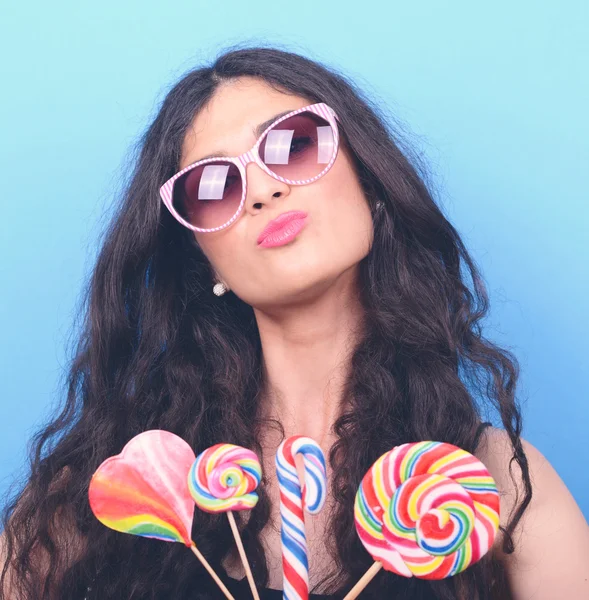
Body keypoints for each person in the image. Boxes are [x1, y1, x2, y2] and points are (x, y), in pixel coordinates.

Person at [1, 45, 588, 600]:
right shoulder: (122, 491)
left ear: (371, 182)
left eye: (294, 145)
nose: (261, 190)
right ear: (201, 256)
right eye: (212, 186)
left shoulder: (492, 484)